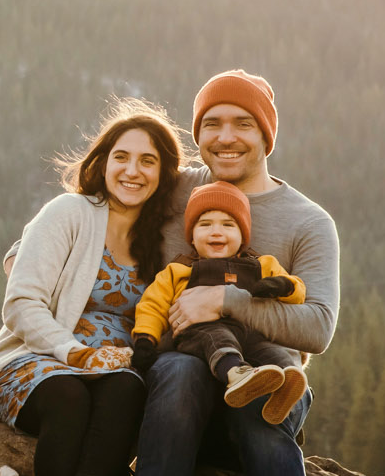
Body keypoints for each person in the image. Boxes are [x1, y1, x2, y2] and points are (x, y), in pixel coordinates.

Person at [133, 70, 358, 476]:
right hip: (177, 393)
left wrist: (226, 299)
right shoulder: (173, 195)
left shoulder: (308, 222)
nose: (225, 137)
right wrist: (31, 251)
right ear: (196, 132)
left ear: (266, 135)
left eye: (242, 124)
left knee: (260, 402)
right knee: (180, 371)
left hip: (264, 386)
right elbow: (96, 213)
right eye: (211, 124)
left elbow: (319, 327)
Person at [0, 100, 185, 476]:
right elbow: (21, 303)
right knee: (68, 395)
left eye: (148, 161)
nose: (133, 171)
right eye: (122, 157)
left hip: (115, 373)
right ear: (103, 162)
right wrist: (71, 352)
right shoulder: (69, 213)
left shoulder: (163, 242)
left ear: (164, 174)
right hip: (36, 362)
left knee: (128, 391)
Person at [132, 180, 308, 424]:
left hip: (251, 336)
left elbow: (298, 289)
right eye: (205, 224)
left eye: (228, 225)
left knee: (275, 353)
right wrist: (145, 339)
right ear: (191, 237)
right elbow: (152, 306)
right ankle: (236, 374)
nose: (216, 231)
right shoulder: (179, 270)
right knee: (216, 336)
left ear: (242, 235)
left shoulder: (263, 264)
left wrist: (283, 286)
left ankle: (284, 393)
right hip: (199, 334)